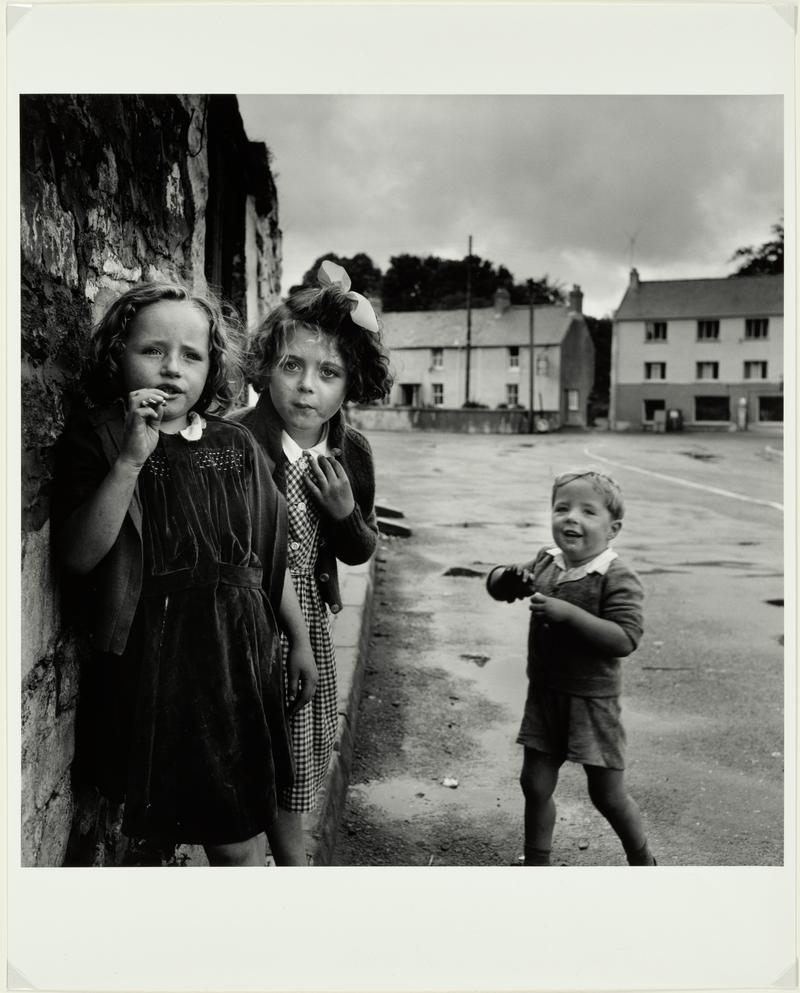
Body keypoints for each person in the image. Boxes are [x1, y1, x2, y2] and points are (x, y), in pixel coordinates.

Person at [54, 281, 317, 867]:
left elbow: (266, 559)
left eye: (191, 355)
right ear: (117, 354)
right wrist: (130, 459)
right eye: (152, 351)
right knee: (190, 832)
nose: (172, 369)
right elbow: (77, 556)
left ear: (212, 367)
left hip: (237, 656)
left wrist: (297, 639)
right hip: (158, 667)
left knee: (241, 821)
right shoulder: (99, 435)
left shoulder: (235, 444)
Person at [232, 260, 392, 865]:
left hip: (308, 631)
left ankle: (291, 857)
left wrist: (346, 512)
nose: (307, 386)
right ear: (267, 368)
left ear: (351, 384)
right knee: (247, 749)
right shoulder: (238, 439)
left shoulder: (352, 452)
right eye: (292, 366)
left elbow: (361, 548)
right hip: (246, 622)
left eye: (329, 373)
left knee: (298, 748)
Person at [487, 468, 656, 867]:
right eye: (562, 508)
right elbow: (497, 588)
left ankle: (643, 861)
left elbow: (625, 639)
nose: (571, 518)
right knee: (534, 783)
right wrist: (504, 578)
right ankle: (537, 863)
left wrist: (569, 615)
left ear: (613, 528)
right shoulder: (547, 562)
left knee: (607, 793)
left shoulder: (617, 576)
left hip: (592, 702)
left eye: (587, 512)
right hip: (545, 694)